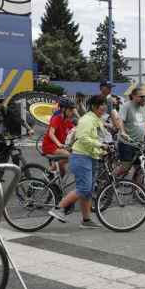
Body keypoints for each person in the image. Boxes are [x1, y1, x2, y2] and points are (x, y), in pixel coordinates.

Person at [47, 95, 109, 229]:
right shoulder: (87, 119)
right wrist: (100, 145)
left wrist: (105, 147)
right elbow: (82, 137)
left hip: (92, 157)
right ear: (93, 106)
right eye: (101, 104)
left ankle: (86, 220)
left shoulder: (97, 119)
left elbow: (99, 137)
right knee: (84, 188)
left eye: (105, 104)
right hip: (82, 157)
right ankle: (59, 208)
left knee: (88, 191)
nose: (104, 107)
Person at [115, 88, 145, 177]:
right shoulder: (126, 106)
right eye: (141, 97)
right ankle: (109, 182)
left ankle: (137, 190)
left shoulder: (144, 107)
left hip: (139, 143)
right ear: (133, 96)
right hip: (127, 143)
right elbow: (120, 120)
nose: (144, 98)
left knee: (139, 168)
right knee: (125, 167)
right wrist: (123, 132)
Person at [41, 97, 77, 176]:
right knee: (68, 156)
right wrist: (58, 144)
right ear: (64, 109)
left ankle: (55, 184)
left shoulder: (67, 121)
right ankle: (49, 172)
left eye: (72, 110)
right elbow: (51, 133)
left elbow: (75, 131)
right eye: (70, 110)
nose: (72, 112)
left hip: (59, 147)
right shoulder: (57, 118)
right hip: (50, 146)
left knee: (62, 172)